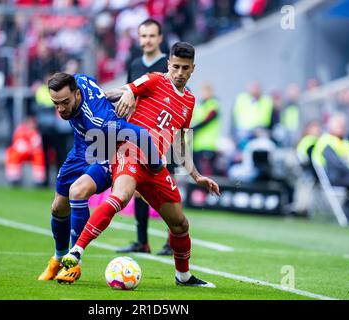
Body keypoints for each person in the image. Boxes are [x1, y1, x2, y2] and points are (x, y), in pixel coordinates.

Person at [58, 42, 221, 288]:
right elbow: (118, 92)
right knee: (120, 196)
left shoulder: (189, 101)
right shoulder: (155, 79)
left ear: (192, 69)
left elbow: (181, 142)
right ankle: (76, 252)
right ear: (168, 64)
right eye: (175, 66)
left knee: (180, 224)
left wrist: (196, 175)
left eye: (185, 68)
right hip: (130, 152)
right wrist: (122, 93)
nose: (179, 72)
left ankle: (183, 277)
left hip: (155, 166)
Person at [38, 72, 163, 281]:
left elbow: (140, 134)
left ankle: (73, 263)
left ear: (77, 94)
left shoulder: (100, 121)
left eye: (65, 103)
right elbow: (97, 90)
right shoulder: (78, 78)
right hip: (80, 149)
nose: (60, 109)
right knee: (58, 206)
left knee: (77, 192)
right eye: (55, 103)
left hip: (105, 152)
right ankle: (58, 258)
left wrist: (156, 165)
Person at [116, 18, 173, 256]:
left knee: (166, 187)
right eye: (143, 36)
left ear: (160, 38)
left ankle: (173, 240)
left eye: (151, 36)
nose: (147, 40)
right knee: (139, 185)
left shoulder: (168, 65)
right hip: (139, 133)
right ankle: (142, 241)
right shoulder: (135, 64)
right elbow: (131, 94)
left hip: (163, 133)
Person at [311, 113, 349, 223]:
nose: (341, 127)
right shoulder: (326, 140)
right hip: (335, 176)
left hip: (348, 175)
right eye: (338, 125)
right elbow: (336, 164)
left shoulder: (344, 142)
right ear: (330, 126)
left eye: (342, 125)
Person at [191, 83, 222, 176]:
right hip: (197, 144)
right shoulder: (199, 105)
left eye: (207, 91)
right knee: (197, 171)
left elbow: (207, 119)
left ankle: (208, 190)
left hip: (209, 144)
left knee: (207, 171)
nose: (204, 94)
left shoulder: (213, 104)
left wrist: (193, 128)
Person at [5, 116, 46, 187]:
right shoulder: (20, 131)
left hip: (32, 153)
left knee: (39, 155)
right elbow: (18, 144)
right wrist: (27, 148)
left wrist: (31, 149)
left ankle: (39, 180)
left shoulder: (35, 133)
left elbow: (37, 144)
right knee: (13, 154)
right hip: (21, 152)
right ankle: (14, 179)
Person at [233, 82, 273, 149]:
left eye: (256, 89)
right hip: (243, 131)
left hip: (260, 131)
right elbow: (235, 117)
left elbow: (268, 118)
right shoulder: (242, 99)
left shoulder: (266, 101)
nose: (255, 91)